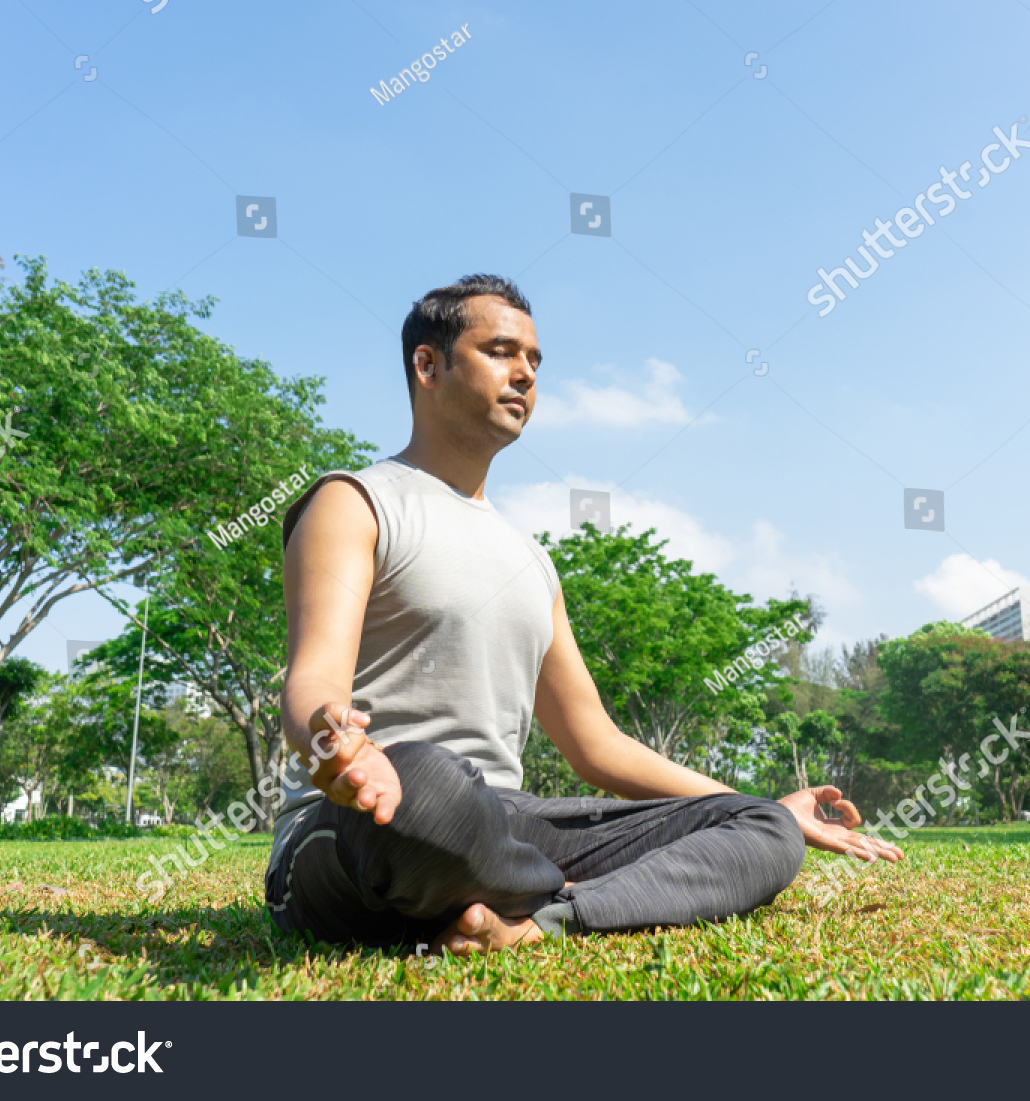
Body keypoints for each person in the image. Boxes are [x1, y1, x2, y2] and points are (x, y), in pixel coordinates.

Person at [267, 273, 902, 956]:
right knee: (428, 787)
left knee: (763, 828)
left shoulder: (531, 561)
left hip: (502, 822)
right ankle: (557, 883)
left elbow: (595, 742)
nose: (525, 375)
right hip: (370, 819)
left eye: (535, 362)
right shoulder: (355, 501)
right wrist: (337, 744)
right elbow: (313, 681)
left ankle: (545, 917)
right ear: (428, 364)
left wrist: (763, 804)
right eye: (501, 351)